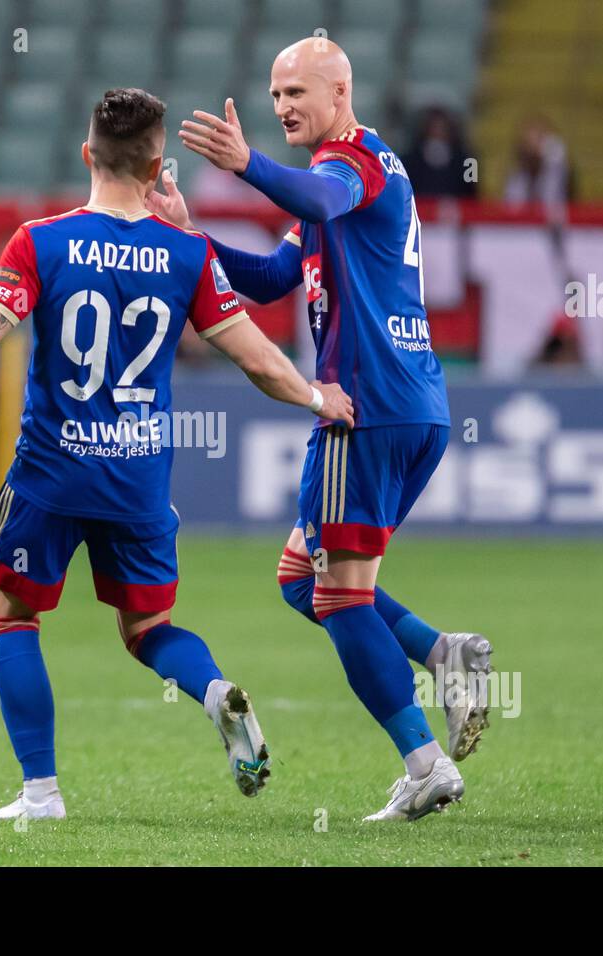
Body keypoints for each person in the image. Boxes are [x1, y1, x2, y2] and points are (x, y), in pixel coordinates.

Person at [0, 88, 353, 821]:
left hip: (51, 473)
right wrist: (321, 400)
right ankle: (216, 691)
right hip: (139, 478)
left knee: (12, 614)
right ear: (160, 166)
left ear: (87, 155)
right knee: (148, 629)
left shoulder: (39, 242)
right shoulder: (186, 253)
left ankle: (41, 794)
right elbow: (258, 361)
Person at [155, 37, 492, 822]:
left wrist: (244, 166)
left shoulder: (353, 164)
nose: (282, 107)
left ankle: (425, 762)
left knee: (337, 597)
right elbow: (275, 277)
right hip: (409, 405)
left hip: (360, 407)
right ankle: (445, 655)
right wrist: (188, 235)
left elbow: (322, 200)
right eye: (275, 94)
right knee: (302, 578)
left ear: (341, 91)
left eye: (296, 92)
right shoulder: (333, 182)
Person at [401, 106, 477, 199]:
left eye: (442, 128)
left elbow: (473, 197)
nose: (437, 133)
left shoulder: (468, 162)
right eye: (433, 128)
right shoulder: (409, 162)